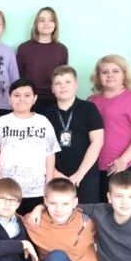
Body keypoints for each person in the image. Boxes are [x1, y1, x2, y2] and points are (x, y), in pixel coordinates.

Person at [0, 78, 60, 215]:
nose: (21, 99)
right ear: (9, 98)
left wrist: (48, 185)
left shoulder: (43, 122)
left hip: (37, 190)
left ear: (35, 98)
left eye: (27, 95)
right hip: (6, 190)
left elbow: (50, 155)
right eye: (16, 95)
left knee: (34, 224)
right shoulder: (1, 122)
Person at [87, 54, 131, 202]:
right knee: (97, 211)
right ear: (98, 76)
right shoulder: (91, 101)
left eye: (115, 71)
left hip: (122, 166)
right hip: (93, 166)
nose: (110, 75)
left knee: (120, 209)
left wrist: (123, 160)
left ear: (124, 75)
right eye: (105, 72)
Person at [43, 65, 103, 204]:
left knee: (85, 213)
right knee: (57, 212)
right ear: (52, 88)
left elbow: (97, 142)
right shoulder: (44, 114)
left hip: (85, 174)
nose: (63, 86)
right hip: (54, 175)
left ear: (76, 85)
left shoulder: (89, 108)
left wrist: (79, 174)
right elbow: (40, 148)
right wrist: (55, 174)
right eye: (58, 83)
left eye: (68, 82)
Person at [16, 7, 68, 112]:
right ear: (36, 24)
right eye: (42, 20)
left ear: (55, 24)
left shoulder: (62, 49)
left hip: (54, 99)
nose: (46, 23)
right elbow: (19, 77)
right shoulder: (24, 48)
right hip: (30, 100)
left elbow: (62, 77)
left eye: (51, 20)